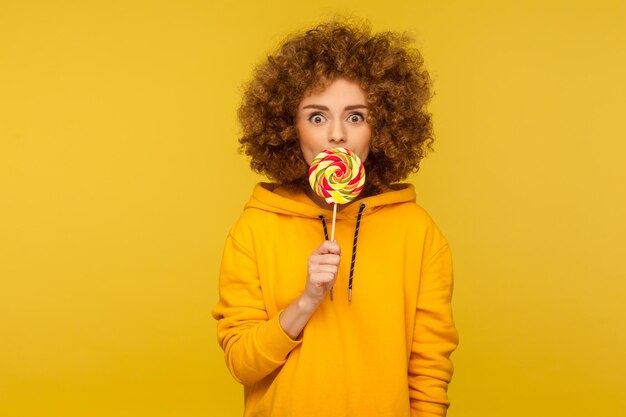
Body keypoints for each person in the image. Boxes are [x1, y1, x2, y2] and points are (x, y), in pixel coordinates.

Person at [212, 21, 458, 417]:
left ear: (383, 128)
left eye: (356, 117)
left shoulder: (418, 231)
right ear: (289, 129)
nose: (338, 135)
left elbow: (429, 370)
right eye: (317, 117)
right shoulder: (254, 229)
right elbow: (242, 364)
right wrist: (307, 300)